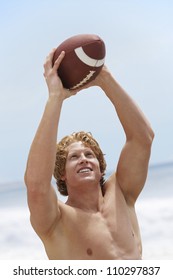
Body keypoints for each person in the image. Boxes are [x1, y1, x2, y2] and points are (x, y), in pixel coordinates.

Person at [24, 49, 154, 260]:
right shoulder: (56, 220)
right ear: (62, 173)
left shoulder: (122, 193)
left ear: (100, 165)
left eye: (89, 155)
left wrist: (104, 78)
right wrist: (55, 98)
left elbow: (142, 138)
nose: (83, 158)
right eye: (73, 157)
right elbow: (36, 185)